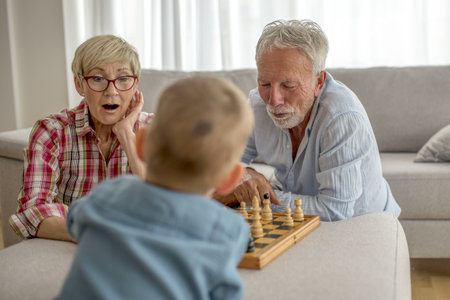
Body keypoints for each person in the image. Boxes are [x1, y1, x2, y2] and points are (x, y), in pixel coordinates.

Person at [56, 75, 253, 300]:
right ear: (231, 178)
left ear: (140, 145)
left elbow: (74, 220)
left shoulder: (107, 193)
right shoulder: (227, 229)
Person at [215, 19, 401, 221]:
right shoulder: (257, 105)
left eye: (289, 86)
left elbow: (334, 211)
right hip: (299, 219)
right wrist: (244, 174)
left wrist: (259, 198)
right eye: (265, 83)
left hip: (362, 223)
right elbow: (221, 162)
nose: (273, 100)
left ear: (318, 82)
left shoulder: (342, 117)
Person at [9, 35, 152, 242]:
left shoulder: (154, 129)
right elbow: (33, 211)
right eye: (97, 79)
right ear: (79, 84)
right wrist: (97, 232)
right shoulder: (51, 132)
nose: (111, 92)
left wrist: (126, 134)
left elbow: (168, 205)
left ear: (135, 84)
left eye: (123, 79)